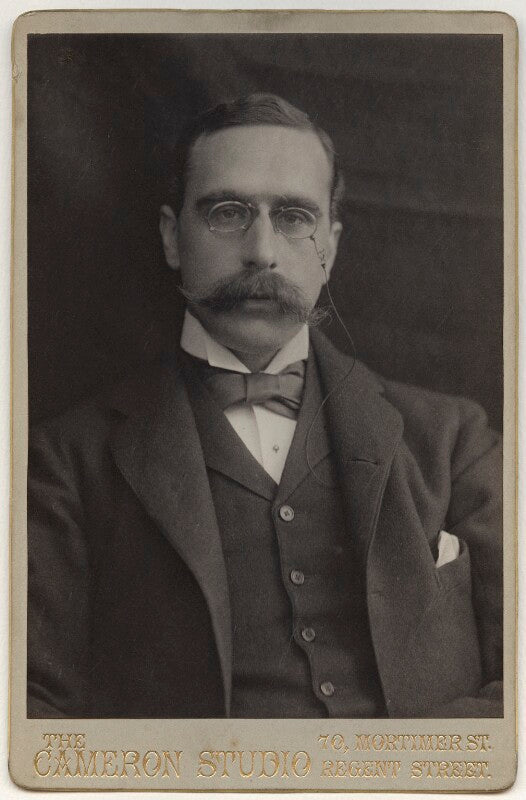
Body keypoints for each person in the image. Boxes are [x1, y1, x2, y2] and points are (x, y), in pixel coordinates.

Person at [27, 93, 502, 719]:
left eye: (294, 217)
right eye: (228, 213)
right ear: (172, 237)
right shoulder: (65, 461)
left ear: (330, 246)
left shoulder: (454, 440)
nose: (262, 252)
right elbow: (31, 712)